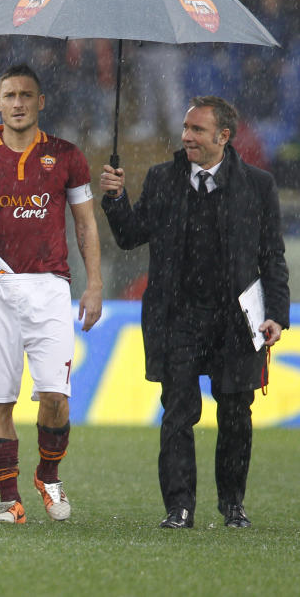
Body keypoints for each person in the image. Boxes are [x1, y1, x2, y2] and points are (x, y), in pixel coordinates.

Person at [99, 95, 289, 529]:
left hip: (237, 322)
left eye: (198, 130)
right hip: (178, 317)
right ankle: (179, 508)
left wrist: (276, 314)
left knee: (236, 416)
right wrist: (115, 198)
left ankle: (232, 505)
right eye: (186, 128)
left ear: (223, 136)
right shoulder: (162, 178)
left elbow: (273, 258)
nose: (187, 136)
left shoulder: (258, 186)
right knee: (178, 413)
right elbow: (130, 236)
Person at [0, 63, 103, 524]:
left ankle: (48, 475)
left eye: (26, 95)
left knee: (55, 396)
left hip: (51, 287)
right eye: (9, 95)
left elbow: (85, 223)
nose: (18, 103)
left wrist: (94, 284)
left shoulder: (67, 156)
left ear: (40, 102)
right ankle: (9, 501)